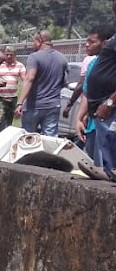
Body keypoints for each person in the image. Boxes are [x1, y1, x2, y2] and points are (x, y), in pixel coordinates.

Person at [71, 26, 114, 160]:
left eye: (92, 42)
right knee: (95, 163)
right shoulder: (93, 64)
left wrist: (109, 103)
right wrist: (79, 117)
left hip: (108, 119)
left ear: (106, 42)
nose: (87, 44)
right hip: (93, 123)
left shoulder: (112, 65)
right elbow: (87, 92)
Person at [84, 0, 116, 178]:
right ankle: (109, 173)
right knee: (106, 145)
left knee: (111, 141)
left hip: (108, 104)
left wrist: (110, 102)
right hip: (101, 104)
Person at [15, 31, 68, 136]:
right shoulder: (62, 58)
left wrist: (20, 103)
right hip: (53, 105)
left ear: (40, 41)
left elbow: (29, 78)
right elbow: (65, 82)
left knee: (28, 138)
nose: (32, 45)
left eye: (33, 42)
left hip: (34, 105)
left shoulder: (34, 57)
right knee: (51, 139)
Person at [0, 46, 25, 133]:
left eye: (11, 55)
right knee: (0, 117)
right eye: (7, 55)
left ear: (15, 55)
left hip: (12, 97)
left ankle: (6, 136)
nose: (9, 57)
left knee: (9, 120)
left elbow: (24, 79)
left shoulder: (20, 66)